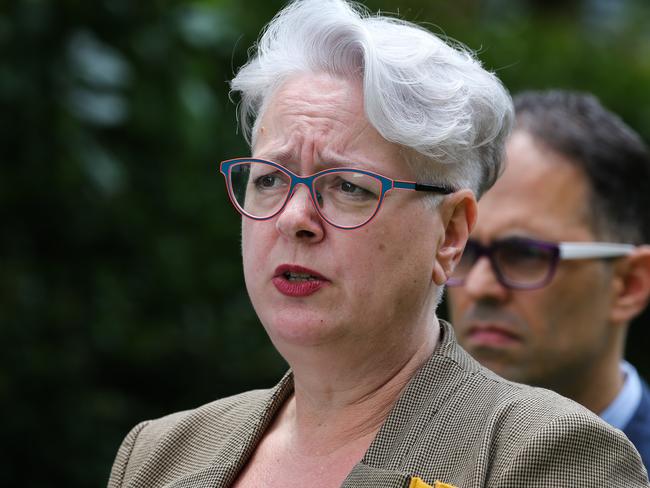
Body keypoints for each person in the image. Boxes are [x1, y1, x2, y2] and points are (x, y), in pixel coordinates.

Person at [108, 2, 649, 487]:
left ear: (451, 234)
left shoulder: (545, 455)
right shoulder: (159, 456)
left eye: (348, 186)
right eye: (269, 178)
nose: (295, 218)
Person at [446, 89, 650, 468]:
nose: (479, 287)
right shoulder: (389, 456)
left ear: (629, 284)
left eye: (525, 255)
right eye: (463, 251)